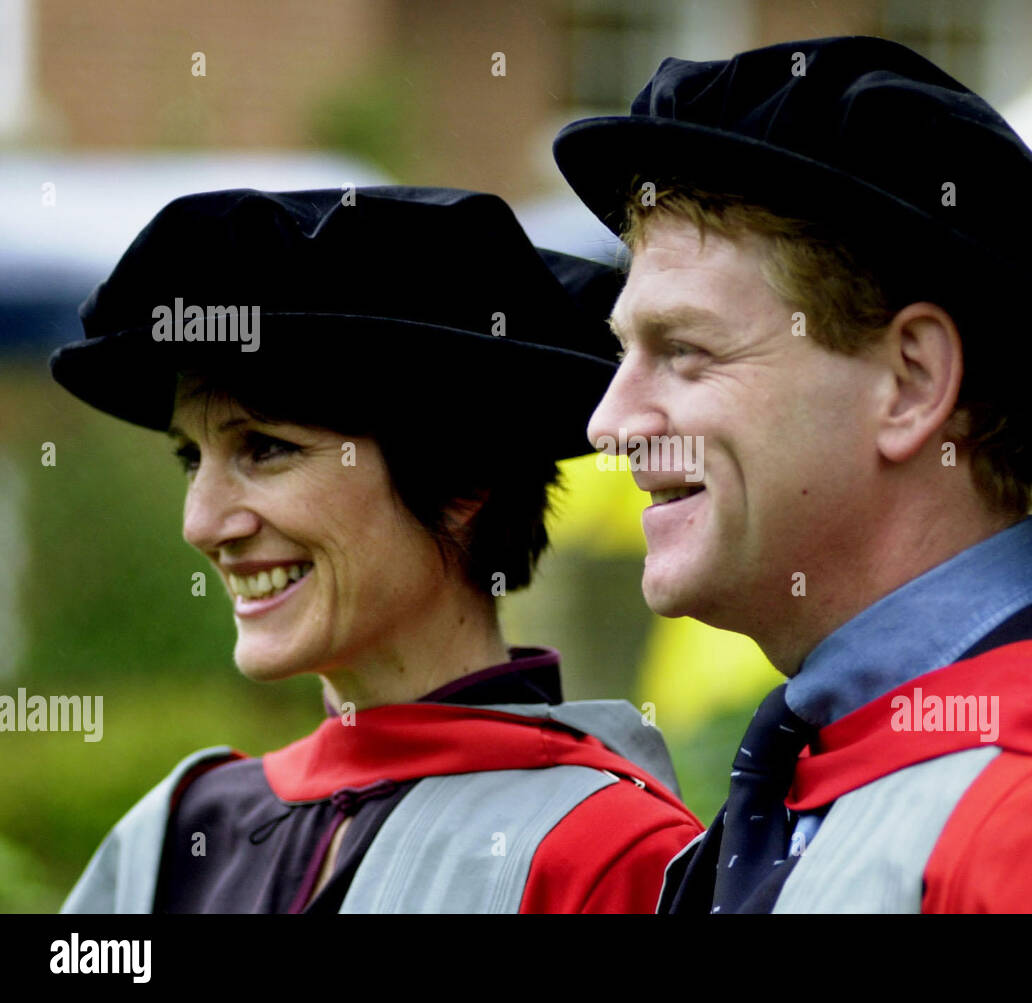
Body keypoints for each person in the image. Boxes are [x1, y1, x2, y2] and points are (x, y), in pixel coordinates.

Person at [553, 36, 1032, 913]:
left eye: (684, 350)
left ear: (909, 384)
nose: (609, 421)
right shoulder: (849, 776)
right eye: (623, 352)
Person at [52, 185, 702, 914]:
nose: (202, 524)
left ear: (463, 477)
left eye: (266, 449)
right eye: (190, 459)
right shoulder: (175, 838)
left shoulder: (608, 855)